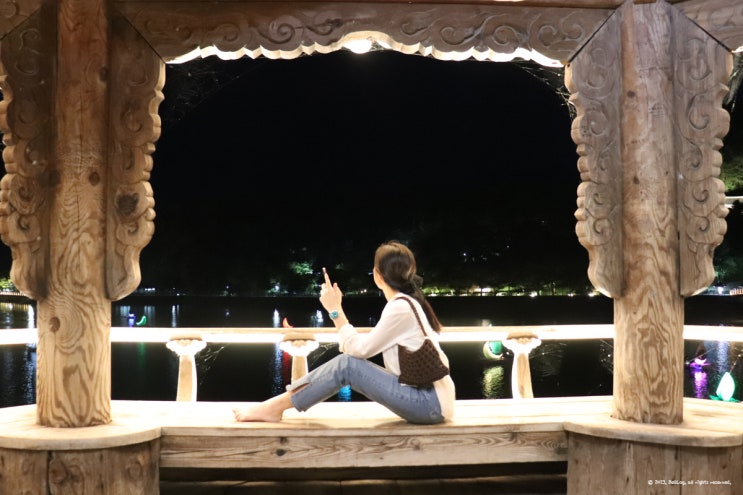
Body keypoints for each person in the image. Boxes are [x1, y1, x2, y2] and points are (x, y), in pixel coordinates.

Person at [233, 241, 455, 424]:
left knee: (347, 366)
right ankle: (275, 406)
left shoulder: (401, 307)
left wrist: (335, 310)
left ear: (377, 275)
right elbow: (363, 348)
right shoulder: (408, 303)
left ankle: (274, 407)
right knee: (348, 364)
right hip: (432, 400)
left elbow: (358, 351)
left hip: (429, 403)